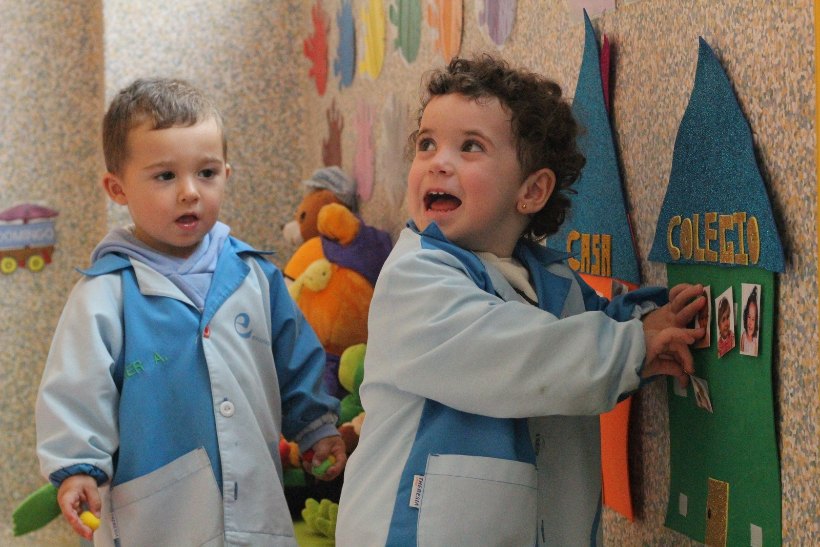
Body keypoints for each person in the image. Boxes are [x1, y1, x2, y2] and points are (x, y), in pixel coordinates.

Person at [336, 55, 704, 546]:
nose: (438, 162)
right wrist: (632, 346)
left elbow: (591, 329)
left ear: (531, 191)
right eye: (427, 144)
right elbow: (515, 352)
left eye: (470, 146)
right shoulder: (415, 278)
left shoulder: (552, 282)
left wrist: (647, 321)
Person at [35, 78, 346, 546]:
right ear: (117, 188)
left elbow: (296, 361)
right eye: (165, 176)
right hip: (156, 520)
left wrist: (316, 427)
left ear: (227, 173)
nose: (189, 192)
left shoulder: (255, 276)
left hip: (256, 511)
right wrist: (78, 467)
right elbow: (76, 390)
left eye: (206, 173)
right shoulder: (104, 294)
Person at [740, 287, 759, 355]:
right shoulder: (743, 336)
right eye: (749, 317)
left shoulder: (755, 341)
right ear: (745, 316)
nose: (750, 323)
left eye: (753, 319)